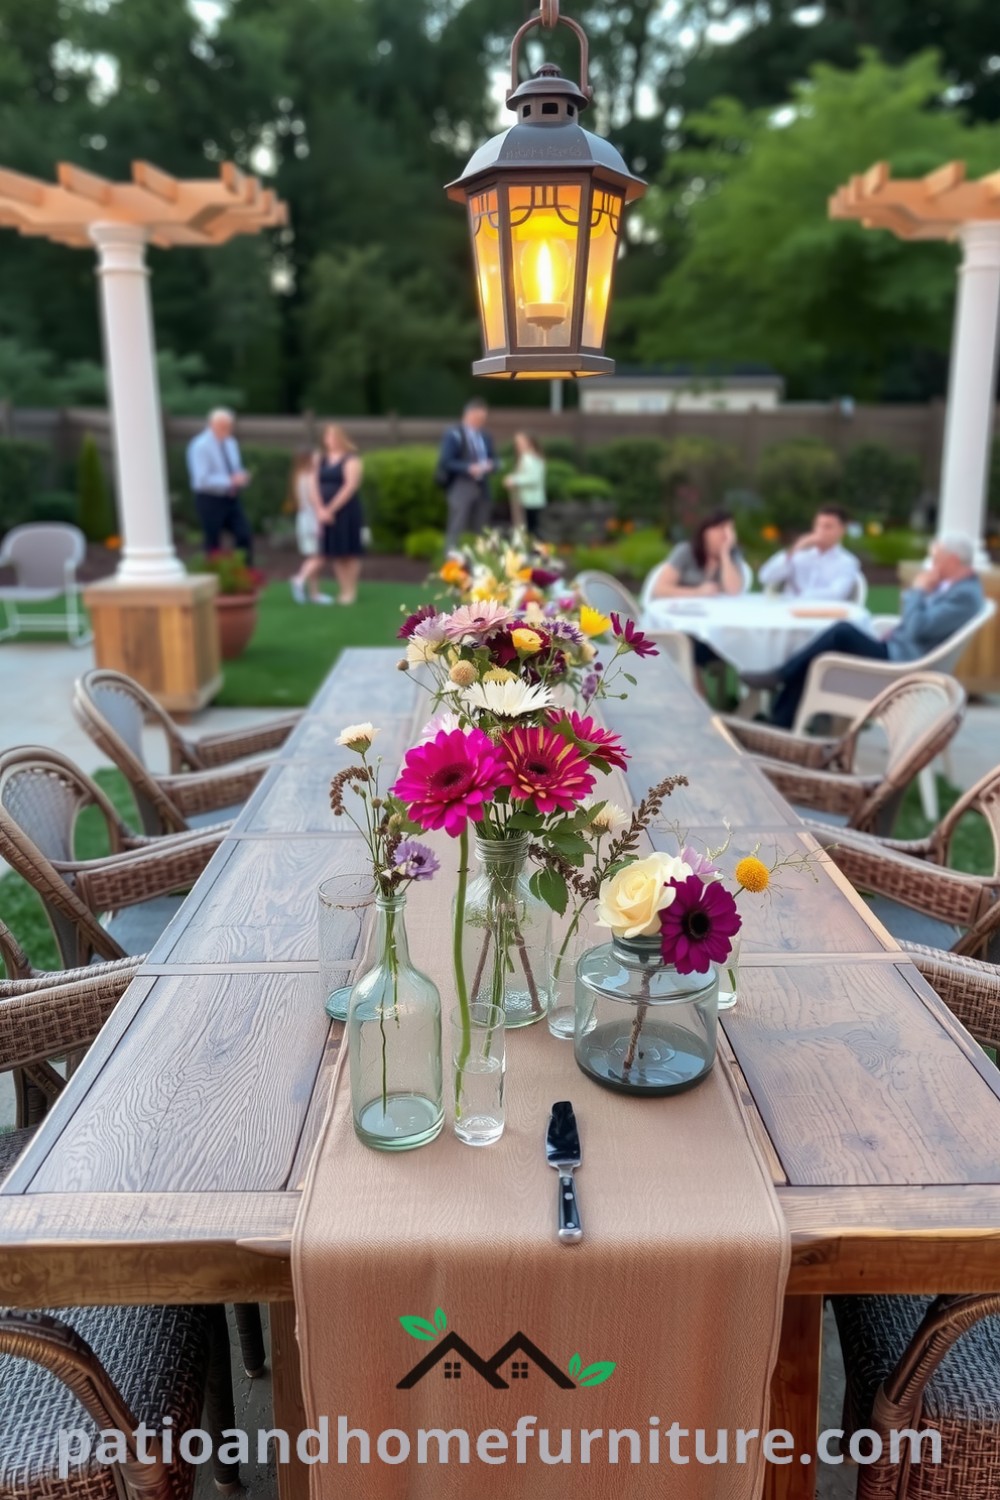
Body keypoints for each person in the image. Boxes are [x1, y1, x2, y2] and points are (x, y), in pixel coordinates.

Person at [743, 534, 984, 728]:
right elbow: (919, 625)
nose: (933, 564)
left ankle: (780, 680)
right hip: (897, 652)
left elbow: (916, 629)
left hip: (901, 665)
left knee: (841, 632)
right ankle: (780, 718)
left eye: (937, 557)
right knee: (820, 655)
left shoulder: (965, 596)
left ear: (952, 560)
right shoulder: (955, 588)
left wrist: (918, 591)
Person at [187, 408, 254, 561]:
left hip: (230, 497)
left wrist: (241, 477)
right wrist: (229, 480)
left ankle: (246, 574)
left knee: (244, 534)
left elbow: (234, 468)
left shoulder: (231, 443)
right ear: (212, 424)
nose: (227, 430)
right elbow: (201, 479)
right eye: (223, 426)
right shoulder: (200, 446)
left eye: (229, 426)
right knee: (213, 540)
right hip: (209, 498)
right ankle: (214, 574)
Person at [758, 506, 862, 601]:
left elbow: (837, 594)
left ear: (842, 530)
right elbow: (765, 577)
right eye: (818, 525)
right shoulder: (798, 554)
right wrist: (794, 550)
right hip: (790, 613)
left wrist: (800, 597)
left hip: (824, 615)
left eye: (828, 527)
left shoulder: (847, 561)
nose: (821, 531)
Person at [315, 423, 365, 606]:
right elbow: (313, 484)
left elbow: (350, 486)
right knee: (335, 550)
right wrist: (320, 509)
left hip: (346, 511)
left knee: (349, 551)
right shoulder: (320, 459)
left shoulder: (351, 459)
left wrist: (331, 509)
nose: (331, 440)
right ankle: (342, 588)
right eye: (328, 436)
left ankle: (351, 590)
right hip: (324, 512)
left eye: (334, 436)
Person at [646, 511, 747, 600]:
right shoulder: (685, 551)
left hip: (711, 613)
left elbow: (734, 591)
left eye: (730, 529)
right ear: (705, 532)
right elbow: (660, 589)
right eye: (721, 528)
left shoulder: (732, 555)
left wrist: (725, 554)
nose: (727, 534)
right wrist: (697, 592)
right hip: (677, 609)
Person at [438, 399, 496, 549]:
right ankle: (451, 563)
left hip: (482, 486)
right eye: (478, 418)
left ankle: (480, 563)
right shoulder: (454, 434)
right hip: (461, 485)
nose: (481, 422)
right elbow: (446, 461)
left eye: (483, 419)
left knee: (482, 528)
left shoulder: (485, 436)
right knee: (457, 526)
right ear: (468, 415)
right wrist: (468, 467)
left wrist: (492, 465)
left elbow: (494, 458)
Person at [288, 451, 331, 605]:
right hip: (312, 519)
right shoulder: (311, 477)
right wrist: (320, 520)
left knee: (312, 555)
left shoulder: (299, 477)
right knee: (320, 556)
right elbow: (314, 500)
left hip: (303, 519)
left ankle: (315, 593)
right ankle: (299, 579)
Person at [503, 432, 547, 535]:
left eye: (521, 443)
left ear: (529, 443)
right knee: (532, 528)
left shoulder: (529, 458)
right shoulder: (533, 457)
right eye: (517, 443)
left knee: (531, 530)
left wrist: (513, 480)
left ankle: (534, 550)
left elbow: (533, 478)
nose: (518, 446)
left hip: (530, 500)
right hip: (532, 499)